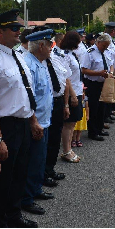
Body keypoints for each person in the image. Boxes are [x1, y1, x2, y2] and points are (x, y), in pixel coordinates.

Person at [0, 9, 42, 228]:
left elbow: (25, 92)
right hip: (5, 126)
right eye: (14, 28)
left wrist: (32, 120)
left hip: (22, 123)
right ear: (0, 32)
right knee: (3, 179)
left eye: (19, 28)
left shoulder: (17, 55)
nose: (19, 32)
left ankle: (14, 217)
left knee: (19, 174)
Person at [21, 29, 55, 216]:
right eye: (49, 44)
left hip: (45, 119)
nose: (51, 47)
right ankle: (27, 198)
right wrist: (34, 122)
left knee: (40, 159)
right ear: (41, 45)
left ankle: (35, 190)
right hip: (36, 121)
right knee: (32, 160)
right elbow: (28, 98)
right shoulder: (29, 65)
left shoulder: (41, 63)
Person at [45, 31, 71, 178]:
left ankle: (50, 169)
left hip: (59, 100)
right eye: (49, 45)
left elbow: (65, 82)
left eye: (51, 44)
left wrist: (66, 104)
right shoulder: (39, 62)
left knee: (55, 139)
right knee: (47, 141)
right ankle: (44, 172)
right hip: (49, 102)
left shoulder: (58, 58)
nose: (50, 47)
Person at [81, 34, 113, 141]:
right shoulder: (89, 53)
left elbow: (110, 64)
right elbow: (84, 70)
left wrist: (111, 73)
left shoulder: (106, 52)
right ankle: (93, 132)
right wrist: (98, 73)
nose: (105, 48)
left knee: (102, 107)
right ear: (98, 43)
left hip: (103, 82)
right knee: (94, 108)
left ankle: (99, 128)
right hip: (92, 83)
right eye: (103, 46)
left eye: (107, 46)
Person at [59, 31, 83, 161]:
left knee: (73, 122)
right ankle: (66, 150)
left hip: (78, 91)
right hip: (71, 92)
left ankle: (69, 149)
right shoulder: (65, 56)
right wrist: (73, 96)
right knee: (68, 124)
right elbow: (67, 78)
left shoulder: (72, 54)